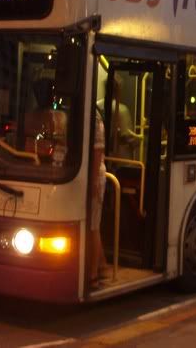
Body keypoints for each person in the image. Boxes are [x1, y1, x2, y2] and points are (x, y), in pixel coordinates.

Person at [25, 77, 67, 166]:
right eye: (51, 92)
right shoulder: (59, 116)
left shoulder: (59, 116)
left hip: (44, 160)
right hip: (34, 160)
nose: (53, 96)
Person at [89, 109, 109, 289]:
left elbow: (97, 149)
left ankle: (93, 275)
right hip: (86, 175)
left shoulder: (94, 117)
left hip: (94, 176)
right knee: (92, 225)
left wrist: (94, 180)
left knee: (93, 226)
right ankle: (102, 266)